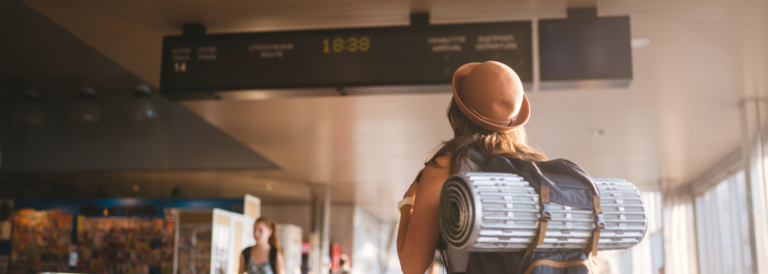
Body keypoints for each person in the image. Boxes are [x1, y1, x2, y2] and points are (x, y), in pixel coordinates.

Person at [396, 61, 546, 274]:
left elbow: (412, 266)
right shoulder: (536, 167)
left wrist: (407, 203)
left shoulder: (448, 167)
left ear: (457, 111)